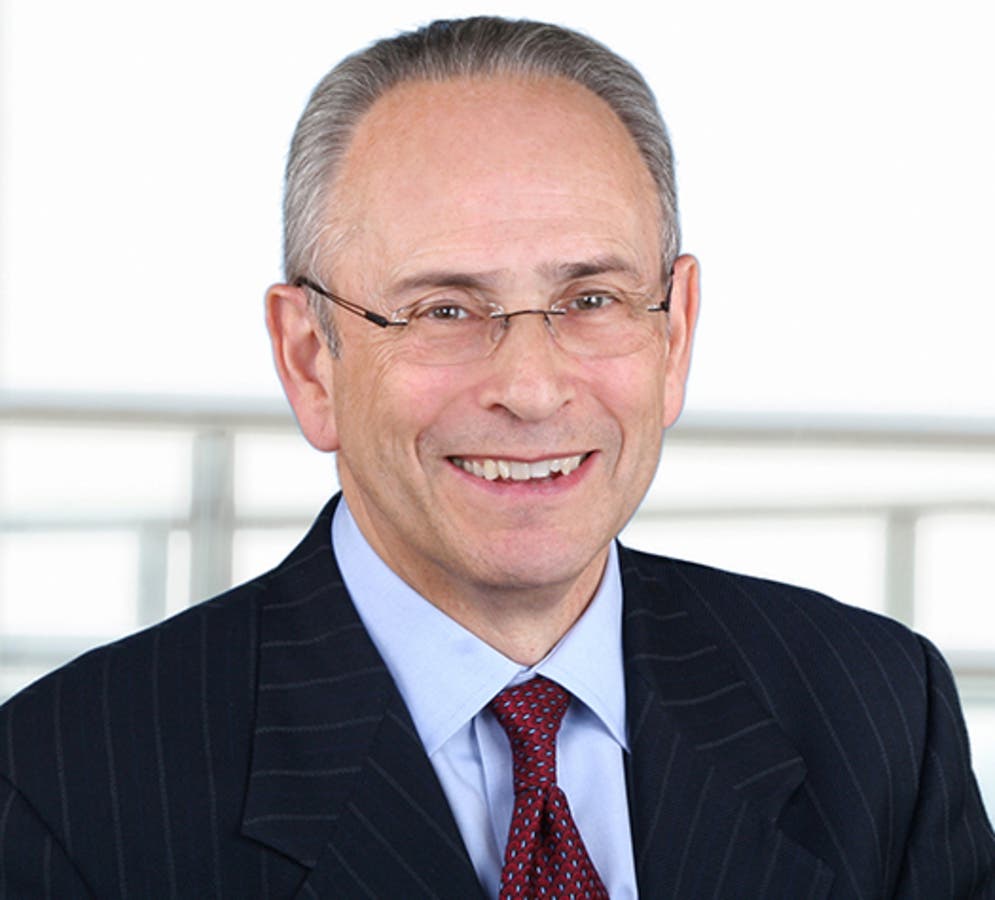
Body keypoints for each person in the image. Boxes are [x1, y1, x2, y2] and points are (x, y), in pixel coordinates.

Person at [1, 16, 993, 899]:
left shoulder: (874, 711)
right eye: (444, 310)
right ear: (308, 358)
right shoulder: (67, 788)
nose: (530, 387)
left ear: (674, 331)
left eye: (590, 300)